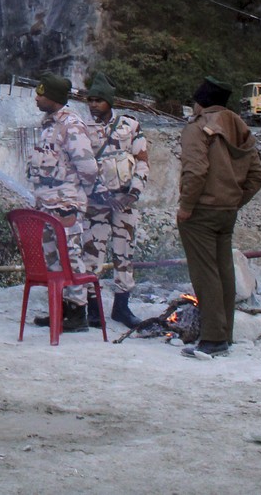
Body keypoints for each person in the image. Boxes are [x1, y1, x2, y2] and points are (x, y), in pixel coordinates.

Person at [177, 76, 261, 359]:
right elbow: (258, 175)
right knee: (224, 269)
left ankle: (212, 339)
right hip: (226, 212)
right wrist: (235, 201)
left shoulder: (197, 127)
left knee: (205, 273)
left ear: (200, 103)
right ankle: (224, 334)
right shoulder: (241, 128)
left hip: (201, 210)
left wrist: (186, 206)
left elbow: (196, 171)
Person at [26, 73, 99, 332]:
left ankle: (78, 312)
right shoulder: (48, 124)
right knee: (52, 257)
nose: (36, 98)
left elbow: (88, 167)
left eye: (41, 94)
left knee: (71, 254)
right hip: (46, 204)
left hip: (65, 205)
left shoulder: (71, 125)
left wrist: (77, 196)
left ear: (54, 98)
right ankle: (61, 308)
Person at [82, 73, 149, 329]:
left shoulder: (130, 125)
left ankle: (121, 308)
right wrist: (103, 194)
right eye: (91, 100)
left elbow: (142, 161)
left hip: (125, 202)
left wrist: (133, 193)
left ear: (109, 102)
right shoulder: (82, 128)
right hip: (97, 203)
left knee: (124, 254)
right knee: (92, 254)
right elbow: (83, 165)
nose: (94, 105)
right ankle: (93, 308)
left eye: (99, 100)